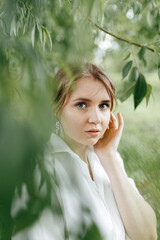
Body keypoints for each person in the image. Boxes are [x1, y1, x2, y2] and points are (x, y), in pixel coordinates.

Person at [12, 62, 157, 240]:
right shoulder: (40, 171)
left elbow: (148, 235)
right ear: (56, 110)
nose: (96, 119)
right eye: (81, 105)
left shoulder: (108, 159)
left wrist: (109, 157)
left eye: (103, 105)